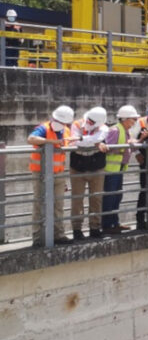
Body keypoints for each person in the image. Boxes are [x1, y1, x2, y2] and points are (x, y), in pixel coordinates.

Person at [28, 105, 74, 246]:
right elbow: (31, 139)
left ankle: (59, 235)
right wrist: (51, 142)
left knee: (58, 205)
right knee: (39, 204)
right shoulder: (44, 128)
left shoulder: (66, 130)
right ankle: (37, 238)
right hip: (41, 174)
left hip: (59, 173)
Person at [68, 106, 110, 240]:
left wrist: (83, 140)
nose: (89, 124)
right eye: (89, 121)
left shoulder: (103, 127)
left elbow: (85, 140)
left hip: (96, 166)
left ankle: (95, 228)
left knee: (96, 198)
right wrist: (95, 142)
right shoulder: (76, 124)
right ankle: (76, 229)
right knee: (77, 199)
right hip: (77, 166)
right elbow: (72, 142)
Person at [102, 105, 139, 234]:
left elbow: (128, 148)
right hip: (111, 169)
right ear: (125, 119)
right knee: (110, 197)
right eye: (133, 119)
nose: (134, 122)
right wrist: (125, 146)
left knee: (117, 196)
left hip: (119, 168)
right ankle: (107, 225)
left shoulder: (125, 130)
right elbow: (108, 148)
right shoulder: (115, 130)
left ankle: (114, 223)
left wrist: (135, 142)